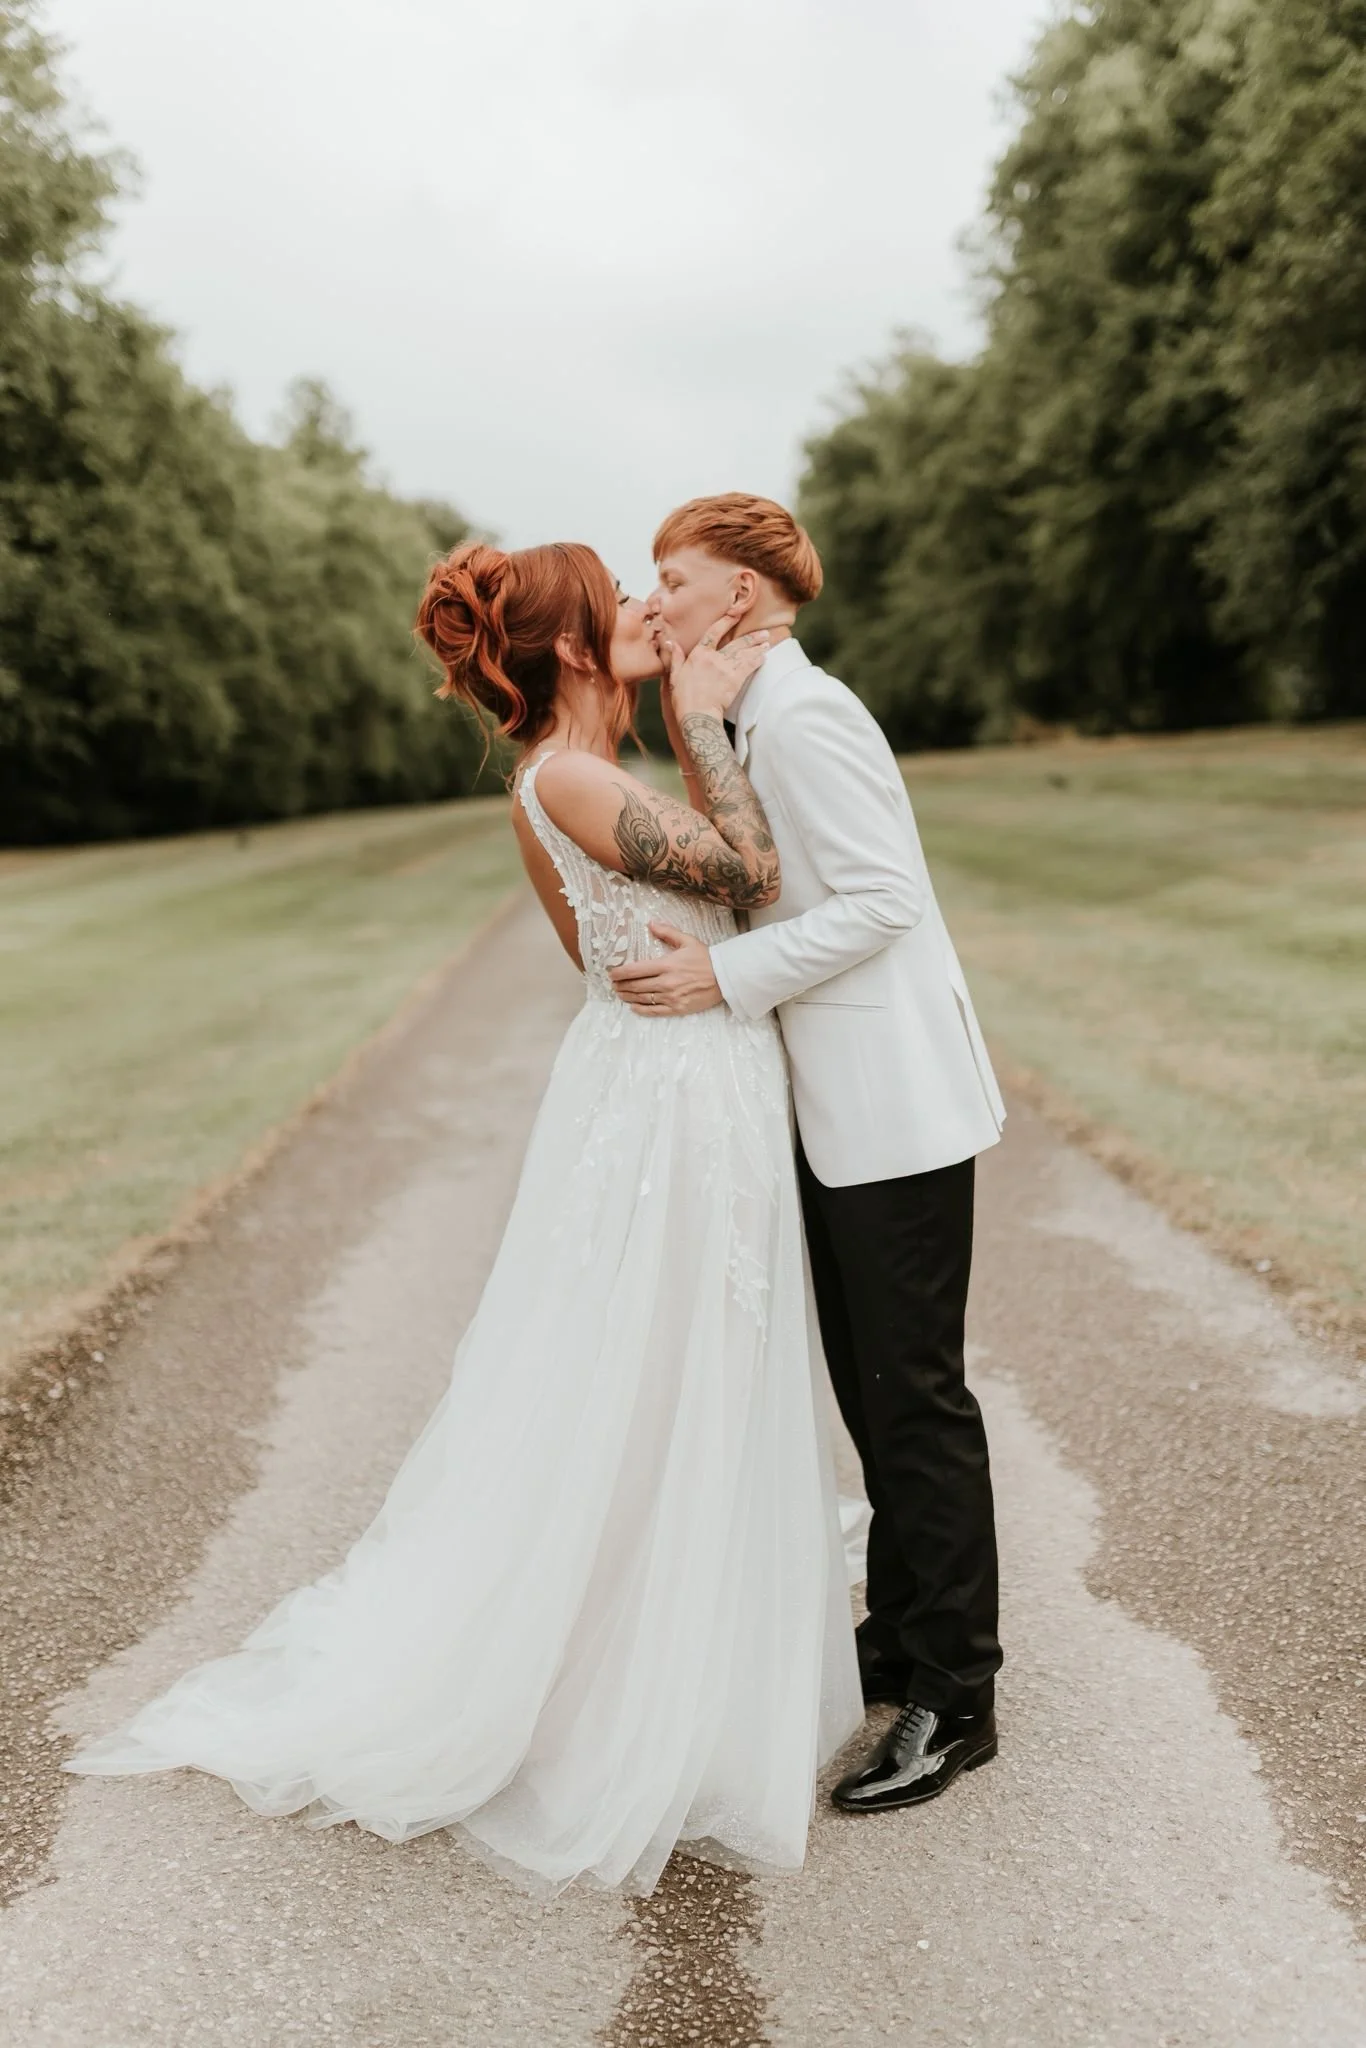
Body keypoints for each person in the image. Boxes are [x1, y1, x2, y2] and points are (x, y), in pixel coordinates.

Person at [65, 539, 862, 1895]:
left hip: (662, 1076)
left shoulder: (568, 778)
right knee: (656, 1367)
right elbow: (755, 878)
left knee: (673, 1369)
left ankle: (672, 1641)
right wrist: (708, 719)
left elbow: (616, 947)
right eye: (615, 600)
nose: (639, 611)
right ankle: (620, 1679)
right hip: (667, 1100)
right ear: (567, 648)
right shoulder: (571, 774)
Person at [612, 493, 1006, 1813]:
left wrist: (724, 979)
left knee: (913, 1401)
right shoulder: (748, 713)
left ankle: (956, 1697)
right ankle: (896, 1640)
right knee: (867, 1390)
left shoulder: (813, 713)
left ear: (738, 594)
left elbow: (887, 900)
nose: (650, 595)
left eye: (670, 575)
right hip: (828, 1112)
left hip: (889, 1107)